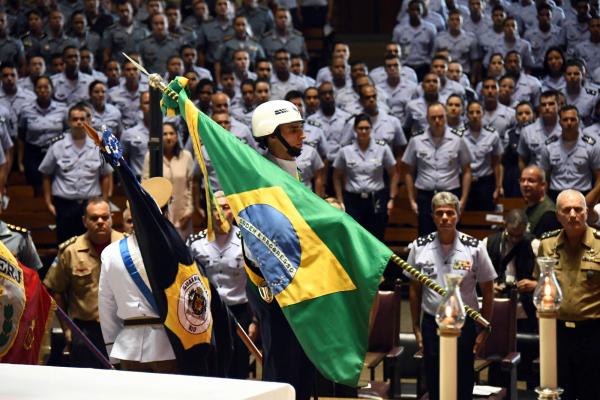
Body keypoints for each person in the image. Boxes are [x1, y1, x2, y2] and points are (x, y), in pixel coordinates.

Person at [246, 99, 353, 399]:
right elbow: (256, 233)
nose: (302, 136)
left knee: (305, 371)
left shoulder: (292, 174)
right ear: (272, 136)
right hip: (277, 287)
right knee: (284, 370)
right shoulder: (261, 175)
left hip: (302, 285)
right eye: (293, 130)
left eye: (300, 129)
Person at [407, 191, 496, 400]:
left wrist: (484, 327)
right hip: (432, 323)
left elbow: (489, 289)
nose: (445, 218)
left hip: (464, 325)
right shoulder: (419, 247)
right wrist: (416, 327)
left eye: (449, 213)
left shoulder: (474, 248)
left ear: (458, 215)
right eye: (439, 213)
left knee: (463, 379)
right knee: (435, 378)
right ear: (432, 216)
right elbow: (414, 289)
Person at [99, 178, 178, 372]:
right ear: (165, 212)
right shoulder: (177, 251)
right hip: (170, 346)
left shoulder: (110, 253)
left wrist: (111, 347)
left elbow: (106, 307)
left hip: (128, 347)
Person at [535, 189, 600, 400]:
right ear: (557, 215)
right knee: (559, 391)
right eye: (566, 210)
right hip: (557, 333)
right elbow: (541, 284)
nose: (573, 214)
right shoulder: (547, 245)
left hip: (593, 333)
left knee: (592, 391)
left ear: (586, 212)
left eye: (578, 209)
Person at [44, 198, 124, 368]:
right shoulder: (70, 251)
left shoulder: (127, 246)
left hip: (123, 329)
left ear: (112, 218)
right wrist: (67, 329)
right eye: (94, 218)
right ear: (84, 221)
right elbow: (55, 289)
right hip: (85, 332)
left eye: (105, 217)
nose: (100, 222)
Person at [187, 191, 250, 379]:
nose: (219, 213)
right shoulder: (195, 242)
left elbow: (257, 285)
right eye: (214, 209)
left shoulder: (246, 241)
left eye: (225, 208)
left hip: (239, 312)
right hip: (208, 314)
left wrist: (255, 321)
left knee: (239, 366)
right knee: (212, 366)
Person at [39, 103, 112, 243]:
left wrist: (105, 199)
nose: (79, 122)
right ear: (68, 122)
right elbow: (46, 174)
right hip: (65, 206)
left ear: (88, 121)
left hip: (91, 205)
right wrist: (48, 202)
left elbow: (106, 175)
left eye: (82, 119)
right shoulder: (57, 146)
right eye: (75, 119)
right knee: (65, 245)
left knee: (93, 244)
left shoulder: (98, 146)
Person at [401, 102, 473, 236]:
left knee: (451, 235)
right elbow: (408, 172)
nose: (437, 121)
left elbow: (467, 171)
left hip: (451, 195)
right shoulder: (416, 140)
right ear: (427, 119)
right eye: (433, 118)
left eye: (440, 117)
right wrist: (412, 200)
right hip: (425, 196)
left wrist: (462, 199)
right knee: (425, 236)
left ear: (445, 117)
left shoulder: (457, 139)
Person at [333, 113, 399, 240]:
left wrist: (391, 198)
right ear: (355, 129)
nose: (363, 131)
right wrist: (340, 200)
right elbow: (336, 176)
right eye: (360, 128)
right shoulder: (346, 151)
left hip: (376, 199)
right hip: (353, 201)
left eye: (367, 128)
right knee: (354, 238)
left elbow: (394, 173)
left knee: (377, 238)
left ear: (371, 129)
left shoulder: (382, 148)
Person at [484, 209, 537, 332]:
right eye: (511, 235)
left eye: (519, 236)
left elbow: (551, 276)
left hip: (524, 306)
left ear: (526, 228)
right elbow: (475, 275)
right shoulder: (488, 243)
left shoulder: (535, 245)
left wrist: (535, 284)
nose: (514, 240)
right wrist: (489, 286)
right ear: (504, 225)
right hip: (496, 304)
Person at [142, 122, 193, 240]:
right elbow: (145, 186)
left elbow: (191, 185)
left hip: (183, 212)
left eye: (172, 133)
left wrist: (189, 210)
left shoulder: (186, 156)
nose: (168, 137)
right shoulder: (151, 157)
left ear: (177, 136)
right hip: (160, 214)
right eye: (165, 134)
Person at [539, 105, 600, 203]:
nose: (569, 123)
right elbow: (544, 178)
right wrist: (545, 202)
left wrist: (590, 201)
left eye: (573, 119)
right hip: (555, 196)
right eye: (565, 119)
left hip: (584, 195)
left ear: (579, 121)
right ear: (559, 122)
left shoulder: (591, 145)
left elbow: (599, 177)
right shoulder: (549, 145)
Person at [18, 76, 67, 194]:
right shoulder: (26, 110)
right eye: (39, 87)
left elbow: (67, 133)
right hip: (34, 153)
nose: (43, 90)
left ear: (52, 89)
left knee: (57, 185)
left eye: (46, 87)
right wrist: (20, 161)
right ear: (35, 90)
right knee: (36, 187)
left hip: (56, 152)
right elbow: (21, 136)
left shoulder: (63, 109)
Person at [463, 100, 504, 211]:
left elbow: (497, 163)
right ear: (467, 115)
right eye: (471, 113)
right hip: (465, 182)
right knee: (465, 218)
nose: (475, 115)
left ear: (483, 113)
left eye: (478, 112)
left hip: (485, 182)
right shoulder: (459, 136)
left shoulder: (492, 134)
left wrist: (498, 186)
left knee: (486, 217)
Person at [520, 165, 561, 237]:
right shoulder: (529, 206)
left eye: (531, 181)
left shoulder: (549, 214)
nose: (525, 184)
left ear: (543, 185)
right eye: (522, 180)